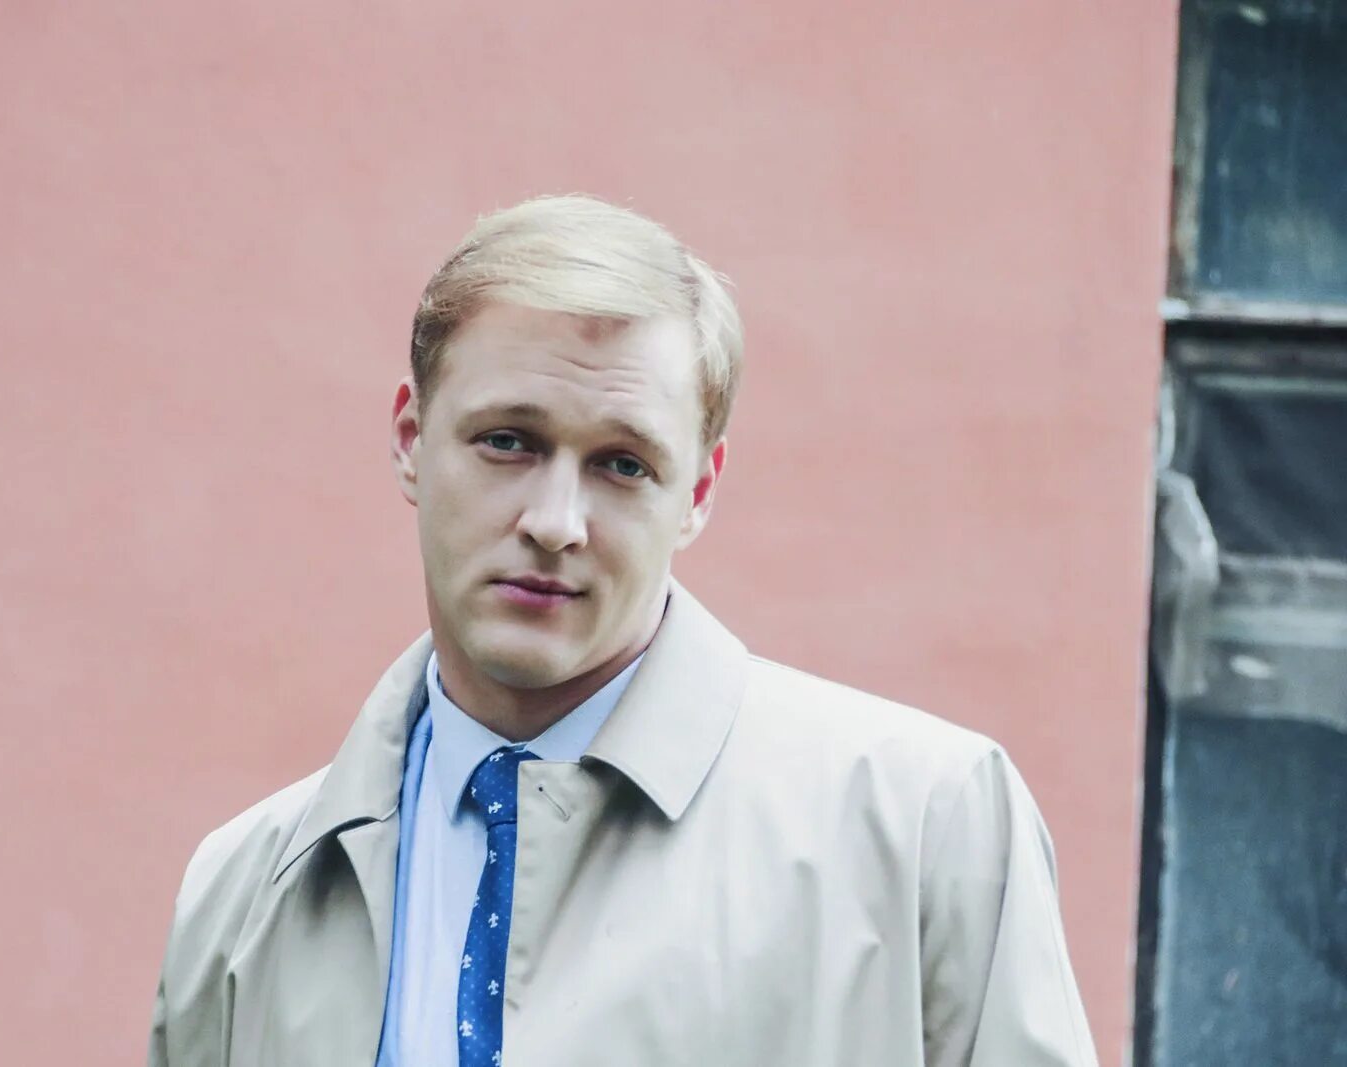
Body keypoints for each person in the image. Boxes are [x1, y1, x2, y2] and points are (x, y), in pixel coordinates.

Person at [147, 195, 1098, 1066]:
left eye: (622, 464)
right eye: (508, 440)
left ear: (700, 490)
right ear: (410, 437)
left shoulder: (926, 825)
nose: (555, 521)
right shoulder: (242, 894)